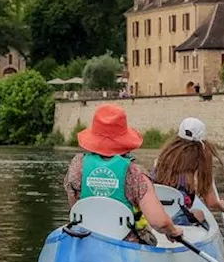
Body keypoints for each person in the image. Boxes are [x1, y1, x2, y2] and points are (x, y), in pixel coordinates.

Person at [63, 104, 182, 244]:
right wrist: (173, 231)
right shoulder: (135, 174)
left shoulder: (77, 166)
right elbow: (159, 222)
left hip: (86, 240)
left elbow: (75, 205)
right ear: (124, 141)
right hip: (126, 244)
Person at [150, 118, 224, 226]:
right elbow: (211, 202)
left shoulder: (163, 157)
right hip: (176, 216)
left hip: (153, 213)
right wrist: (221, 205)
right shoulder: (201, 163)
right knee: (199, 214)